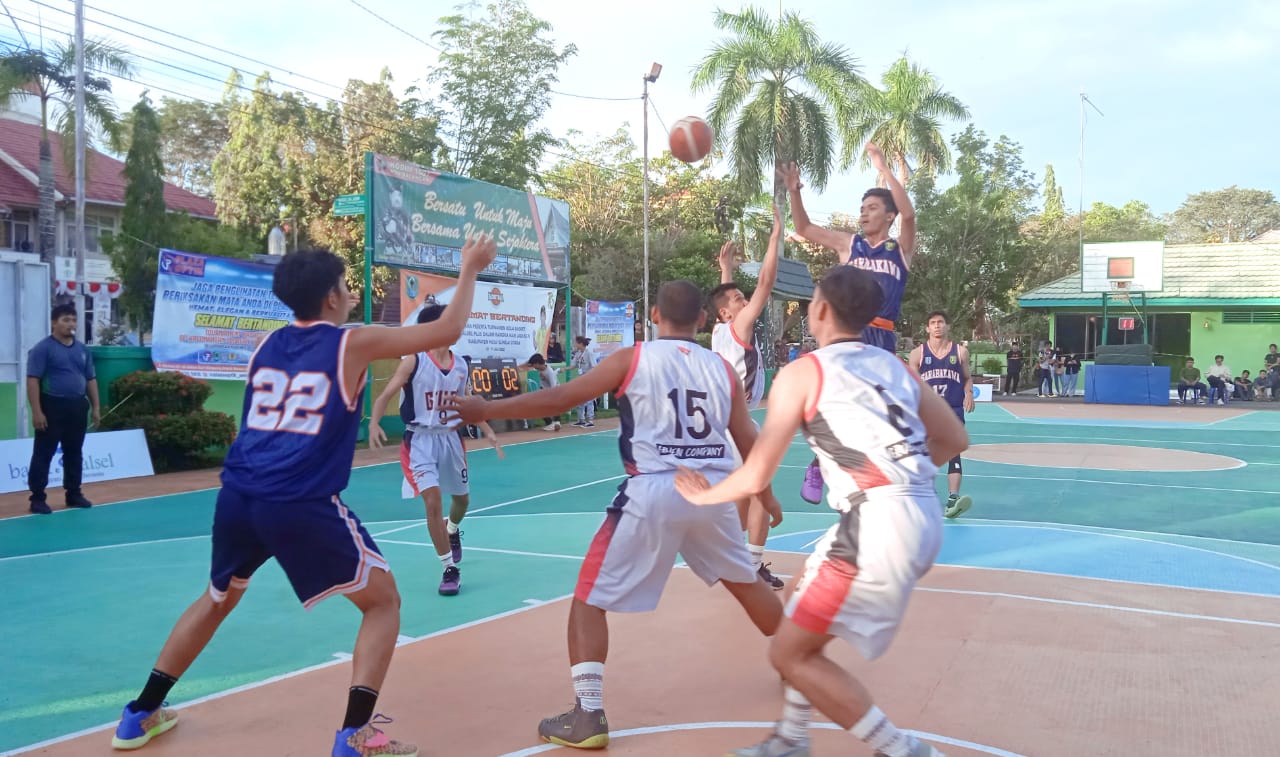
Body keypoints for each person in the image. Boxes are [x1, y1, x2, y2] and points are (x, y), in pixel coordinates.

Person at [110, 234, 497, 756]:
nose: (351, 293)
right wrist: (470, 267)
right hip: (297, 501)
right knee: (383, 602)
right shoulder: (350, 343)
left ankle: (139, 715)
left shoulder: (266, 346)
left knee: (217, 598)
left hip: (239, 495)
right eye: (345, 285)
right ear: (331, 297)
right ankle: (355, 737)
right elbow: (446, 329)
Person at [445, 280, 786, 751]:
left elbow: (559, 399)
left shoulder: (633, 358)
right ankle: (799, 660)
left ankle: (587, 714)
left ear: (654, 315)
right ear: (703, 320)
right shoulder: (722, 369)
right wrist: (766, 495)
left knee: (588, 600)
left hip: (655, 489)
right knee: (746, 582)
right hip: (713, 493)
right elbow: (748, 438)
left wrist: (487, 407)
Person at [674, 266, 969, 757]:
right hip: (918, 512)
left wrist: (703, 496)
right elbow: (954, 438)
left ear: (822, 310)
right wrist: (905, 481)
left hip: (877, 524)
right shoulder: (894, 365)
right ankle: (792, 736)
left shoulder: (804, 372)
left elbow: (756, 475)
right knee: (796, 600)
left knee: (788, 654)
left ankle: (902, 749)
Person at [779, 144, 916, 506]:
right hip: (846, 336)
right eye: (862, 208)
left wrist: (883, 168)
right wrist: (794, 191)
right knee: (837, 403)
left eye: (872, 208)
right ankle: (817, 464)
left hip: (882, 337)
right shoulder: (849, 245)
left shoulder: (899, 250)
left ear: (889, 215)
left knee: (874, 415)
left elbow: (910, 214)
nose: (864, 213)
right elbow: (804, 227)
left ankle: (874, 476)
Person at [368, 305, 505, 597]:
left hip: (450, 438)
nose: (456, 327)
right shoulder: (414, 361)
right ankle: (449, 568)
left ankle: (452, 530)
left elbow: (467, 404)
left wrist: (488, 430)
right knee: (432, 500)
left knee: (462, 500)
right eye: (450, 322)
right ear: (435, 327)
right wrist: (374, 422)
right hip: (419, 440)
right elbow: (386, 394)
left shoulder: (461, 365)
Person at [708, 203, 785, 589]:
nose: (745, 301)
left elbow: (724, 299)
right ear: (728, 313)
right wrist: (775, 237)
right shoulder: (737, 326)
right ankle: (749, 566)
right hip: (734, 424)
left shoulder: (721, 331)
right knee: (758, 495)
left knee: (743, 497)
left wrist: (726, 270)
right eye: (739, 299)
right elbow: (766, 285)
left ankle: (732, 557)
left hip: (724, 423)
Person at [25, 303, 100, 514]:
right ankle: (37, 498)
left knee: (74, 452)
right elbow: (33, 380)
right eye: (66, 320)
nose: (71, 324)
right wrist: (37, 411)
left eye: (73, 320)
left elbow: (91, 379)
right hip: (52, 406)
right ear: (53, 323)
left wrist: (95, 407)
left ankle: (73, 493)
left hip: (77, 407)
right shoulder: (43, 349)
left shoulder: (83, 350)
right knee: (44, 453)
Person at [908, 311, 974, 519]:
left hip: (953, 409)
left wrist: (969, 393)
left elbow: (967, 378)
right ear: (927, 328)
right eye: (933, 323)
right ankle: (924, 495)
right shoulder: (917, 354)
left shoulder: (960, 352)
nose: (937, 326)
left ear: (947, 326)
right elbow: (912, 384)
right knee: (924, 454)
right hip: (927, 411)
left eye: (940, 322)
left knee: (953, 452)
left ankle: (953, 499)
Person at [569, 336, 597, 427]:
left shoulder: (589, 354)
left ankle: (590, 420)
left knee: (589, 400)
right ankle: (581, 419)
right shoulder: (578, 354)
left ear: (581, 343)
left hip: (589, 379)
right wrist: (564, 369)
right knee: (580, 399)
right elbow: (573, 365)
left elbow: (594, 367)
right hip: (581, 379)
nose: (575, 345)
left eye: (577, 343)